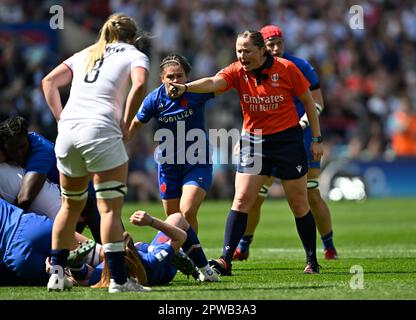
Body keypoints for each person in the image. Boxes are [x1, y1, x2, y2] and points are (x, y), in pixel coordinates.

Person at [169, 30, 323, 275]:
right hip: (254, 142)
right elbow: (213, 83)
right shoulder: (237, 71)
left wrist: (316, 139)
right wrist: (185, 87)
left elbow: (308, 102)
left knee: (298, 203)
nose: (242, 56)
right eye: (239, 51)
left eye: (247, 51)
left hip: (287, 142)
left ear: (262, 51)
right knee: (241, 200)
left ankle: (312, 260)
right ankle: (225, 260)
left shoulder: (287, 68)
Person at [41, 13, 150, 292]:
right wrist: (126, 121)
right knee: (109, 209)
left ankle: (56, 274)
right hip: (100, 129)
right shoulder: (134, 53)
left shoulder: (86, 52)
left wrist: (61, 119)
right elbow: (139, 85)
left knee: (69, 206)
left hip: (67, 133)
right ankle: (118, 279)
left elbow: (49, 82)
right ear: (133, 38)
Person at [233, 25, 338, 261]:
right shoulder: (250, 68)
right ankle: (244, 245)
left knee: (311, 195)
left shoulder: (298, 66)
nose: (276, 48)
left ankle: (328, 246)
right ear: (261, 48)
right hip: (265, 140)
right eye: (271, 44)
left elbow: (317, 102)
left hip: (298, 137)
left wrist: (303, 128)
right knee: (255, 196)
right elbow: (252, 107)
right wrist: (245, 137)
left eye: (279, 43)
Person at [129, 54, 215, 233]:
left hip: (196, 160)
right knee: (173, 217)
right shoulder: (154, 100)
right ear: (162, 79)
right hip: (169, 164)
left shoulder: (196, 93)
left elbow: (218, 83)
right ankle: (178, 256)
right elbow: (136, 123)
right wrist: (122, 138)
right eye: (170, 76)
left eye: (179, 76)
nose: (175, 80)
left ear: (187, 77)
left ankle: (193, 256)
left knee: (187, 210)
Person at [0, 116, 101, 243]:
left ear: (27, 138)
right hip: (66, 200)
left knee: (112, 249)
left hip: (89, 201)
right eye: (13, 151)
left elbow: (25, 198)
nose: (19, 153)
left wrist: (7, 227)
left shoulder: (42, 151)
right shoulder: (17, 144)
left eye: (22, 147)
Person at [90, 210, 219, 288]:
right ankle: (207, 272)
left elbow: (83, 276)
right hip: (165, 269)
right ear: (130, 251)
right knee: (177, 218)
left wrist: (75, 269)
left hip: (142, 259)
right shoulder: (150, 261)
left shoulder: (100, 273)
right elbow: (181, 237)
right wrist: (151, 221)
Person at [0, 197, 100, 287]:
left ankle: (75, 271)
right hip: (32, 227)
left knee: (60, 277)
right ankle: (78, 269)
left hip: (16, 257)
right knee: (104, 257)